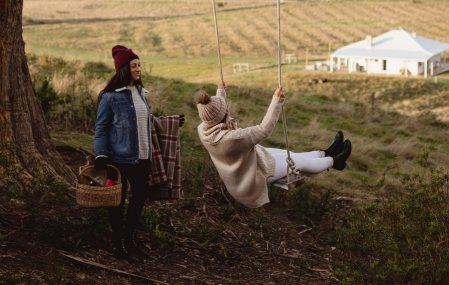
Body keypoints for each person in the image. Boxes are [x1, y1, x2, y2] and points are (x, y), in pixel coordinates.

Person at [196, 81, 351, 208]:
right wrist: (277, 101)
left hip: (247, 165)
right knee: (298, 162)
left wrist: (220, 92)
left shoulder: (204, 129)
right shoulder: (232, 139)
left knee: (290, 155)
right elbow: (263, 129)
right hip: (249, 180)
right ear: (223, 115)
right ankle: (335, 161)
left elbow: (215, 113)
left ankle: (325, 153)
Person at [94, 45, 184, 261]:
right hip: (118, 159)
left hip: (142, 158)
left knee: (139, 199)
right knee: (117, 202)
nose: (138, 69)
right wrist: (101, 154)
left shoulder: (141, 93)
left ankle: (129, 240)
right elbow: (101, 127)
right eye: (134, 65)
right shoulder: (109, 96)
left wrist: (171, 121)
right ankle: (118, 246)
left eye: (139, 65)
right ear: (124, 69)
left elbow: (145, 122)